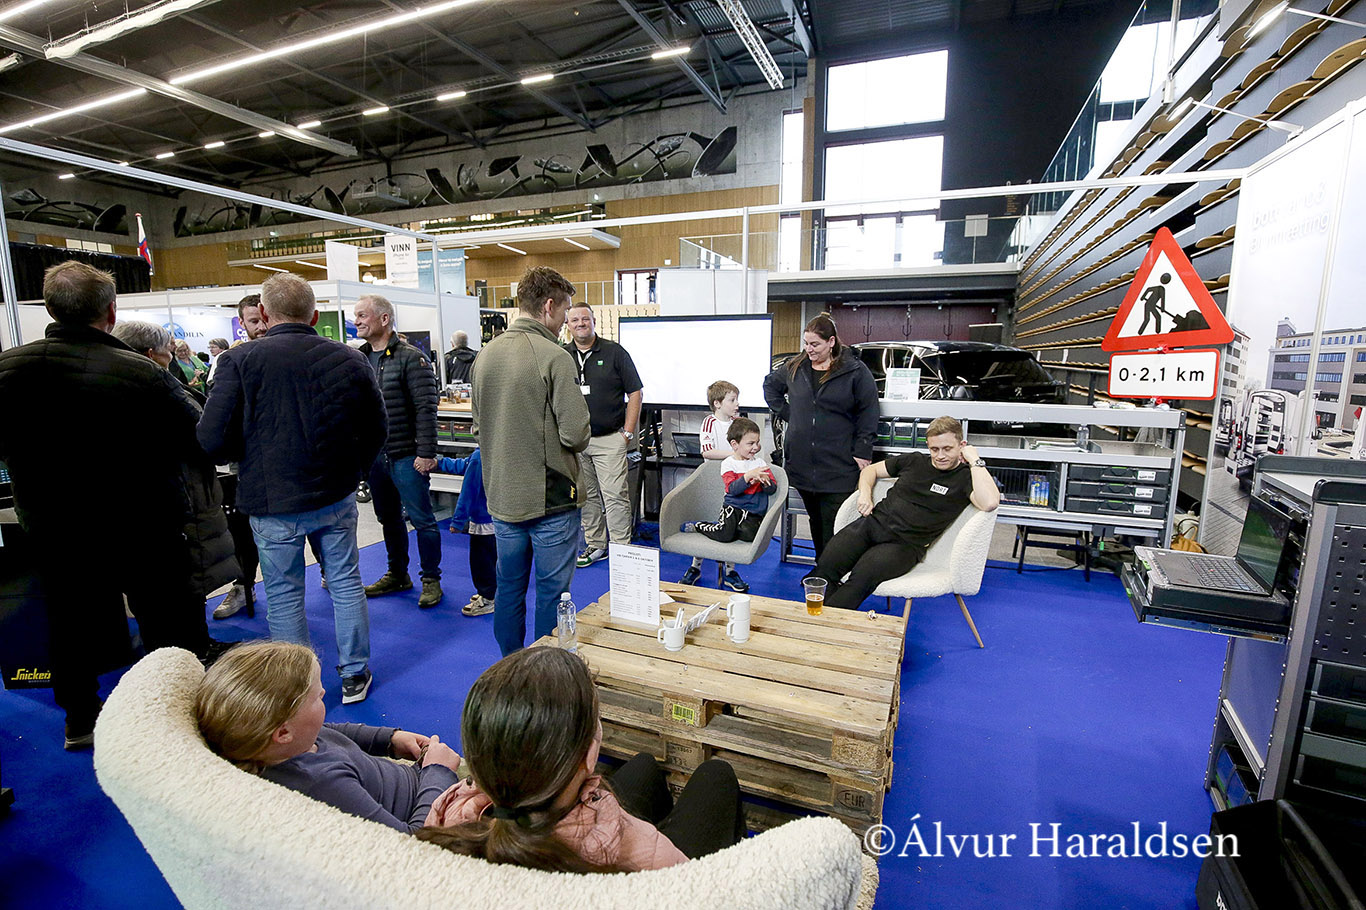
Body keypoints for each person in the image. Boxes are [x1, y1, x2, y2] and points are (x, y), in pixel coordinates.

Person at [0, 261, 218, 749]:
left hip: (54, 526)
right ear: (111, 312)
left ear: (51, 308)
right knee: (165, 621)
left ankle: (80, 718)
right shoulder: (142, 372)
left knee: (69, 621)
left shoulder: (8, 369)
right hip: (143, 522)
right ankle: (173, 718)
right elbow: (202, 435)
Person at [198, 273, 386, 704]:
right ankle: (355, 673)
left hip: (272, 499)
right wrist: (353, 471)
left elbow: (210, 439)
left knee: (283, 593)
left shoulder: (238, 361)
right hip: (334, 494)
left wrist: (248, 454)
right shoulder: (350, 359)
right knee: (345, 582)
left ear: (263, 315)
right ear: (315, 316)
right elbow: (376, 427)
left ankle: (297, 687)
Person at [417, 647, 746, 871]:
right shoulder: (648, 854)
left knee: (644, 765)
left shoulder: (448, 814)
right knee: (716, 776)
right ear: (589, 755)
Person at [195, 641, 462, 833]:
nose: (324, 693)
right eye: (316, 697)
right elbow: (411, 840)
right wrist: (439, 772)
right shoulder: (321, 783)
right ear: (283, 733)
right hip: (433, 805)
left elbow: (331, 732)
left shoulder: (288, 742)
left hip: (421, 781)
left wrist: (390, 740)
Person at [471, 266, 591, 656]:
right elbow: (576, 434)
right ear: (549, 306)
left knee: (509, 588)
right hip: (551, 498)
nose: (567, 321)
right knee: (553, 592)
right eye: (566, 311)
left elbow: (478, 427)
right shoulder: (555, 357)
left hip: (502, 496)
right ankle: (544, 672)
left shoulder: (484, 356)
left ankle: (510, 665)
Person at [807, 416, 1000, 611]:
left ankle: (822, 624)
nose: (940, 455)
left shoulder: (965, 477)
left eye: (947, 449)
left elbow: (990, 503)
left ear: (962, 446)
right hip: (871, 525)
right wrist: (865, 494)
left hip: (905, 545)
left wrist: (974, 460)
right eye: (934, 449)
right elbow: (870, 471)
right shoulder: (914, 461)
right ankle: (817, 618)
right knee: (826, 566)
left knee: (861, 578)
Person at [113, 321, 239, 608]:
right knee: (180, 592)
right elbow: (205, 438)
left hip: (127, 510)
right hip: (174, 503)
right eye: (167, 352)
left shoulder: (103, 385)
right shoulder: (161, 388)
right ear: (151, 354)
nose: (170, 357)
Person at [763, 313, 878, 560]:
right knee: (815, 519)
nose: (809, 349)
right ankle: (822, 566)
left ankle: (831, 569)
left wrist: (863, 449)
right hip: (803, 465)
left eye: (815, 344)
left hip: (838, 465)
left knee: (836, 522)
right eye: (806, 343)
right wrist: (790, 414)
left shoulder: (855, 370)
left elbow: (869, 412)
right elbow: (770, 386)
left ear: (831, 342)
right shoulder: (796, 367)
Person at [353, 294, 444, 608]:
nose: (357, 321)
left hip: (407, 456)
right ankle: (397, 574)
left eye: (362, 315)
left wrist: (427, 452)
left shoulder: (411, 358)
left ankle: (431, 579)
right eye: (356, 316)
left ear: (384, 319)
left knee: (422, 521)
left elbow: (426, 408)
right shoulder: (360, 358)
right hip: (376, 457)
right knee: (388, 519)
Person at [563, 303, 643, 568]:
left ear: (594, 321)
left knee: (615, 495)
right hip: (576, 442)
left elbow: (635, 393)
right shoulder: (562, 355)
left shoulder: (614, 352)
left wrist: (627, 433)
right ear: (568, 325)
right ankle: (596, 545)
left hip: (610, 439)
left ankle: (621, 548)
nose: (580, 324)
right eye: (575, 320)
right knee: (586, 497)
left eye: (585, 319)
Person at [214, 294, 266, 621]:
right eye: (253, 321)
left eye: (263, 319)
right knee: (243, 529)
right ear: (242, 324)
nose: (260, 327)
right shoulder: (232, 361)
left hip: (293, 460)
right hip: (246, 460)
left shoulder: (292, 355)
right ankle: (243, 585)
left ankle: (327, 574)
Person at [679, 418, 774, 593]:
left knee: (747, 536)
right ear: (735, 444)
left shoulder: (760, 464)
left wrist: (766, 481)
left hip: (752, 513)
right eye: (751, 443)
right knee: (725, 534)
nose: (756, 447)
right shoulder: (728, 463)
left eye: (757, 442)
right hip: (733, 509)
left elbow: (772, 489)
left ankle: (730, 571)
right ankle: (700, 526)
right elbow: (732, 489)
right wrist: (748, 477)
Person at [679, 379, 742, 587]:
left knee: (731, 523)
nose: (737, 404)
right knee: (708, 520)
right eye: (732, 400)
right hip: (712, 480)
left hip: (733, 481)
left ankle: (730, 570)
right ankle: (696, 566)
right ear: (717, 403)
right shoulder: (709, 423)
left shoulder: (738, 423)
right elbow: (707, 451)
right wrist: (734, 454)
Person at [435, 448, 496, 617]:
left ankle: (488, 597)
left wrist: (458, 521)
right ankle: (493, 592)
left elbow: (468, 492)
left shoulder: (479, 457)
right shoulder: (488, 452)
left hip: (482, 521)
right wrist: (439, 463)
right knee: (493, 559)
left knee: (482, 563)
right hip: (496, 519)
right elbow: (464, 465)